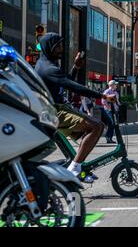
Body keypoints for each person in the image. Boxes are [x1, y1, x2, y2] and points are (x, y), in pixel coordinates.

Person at [35, 33, 116, 183]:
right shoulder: (48, 68)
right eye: (58, 46)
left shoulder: (47, 63)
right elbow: (74, 87)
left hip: (58, 107)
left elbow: (64, 83)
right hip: (54, 111)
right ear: (49, 48)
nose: (61, 49)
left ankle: (79, 167)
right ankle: (75, 168)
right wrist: (103, 96)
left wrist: (75, 68)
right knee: (96, 127)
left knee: (91, 130)